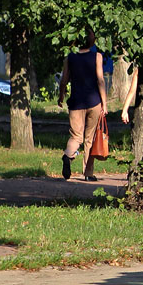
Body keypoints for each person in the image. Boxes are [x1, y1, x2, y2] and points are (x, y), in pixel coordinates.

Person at [58, 31, 108, 180]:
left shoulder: (70, 57)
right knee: (90, 138)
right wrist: (104, 103)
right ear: (91, 40)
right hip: (94, 101)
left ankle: (68, 155)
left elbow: (64, 79)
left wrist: (61, 96)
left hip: (76, 102)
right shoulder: (97, 56)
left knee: (76, 136)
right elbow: (100, 80)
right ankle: (88, 173)